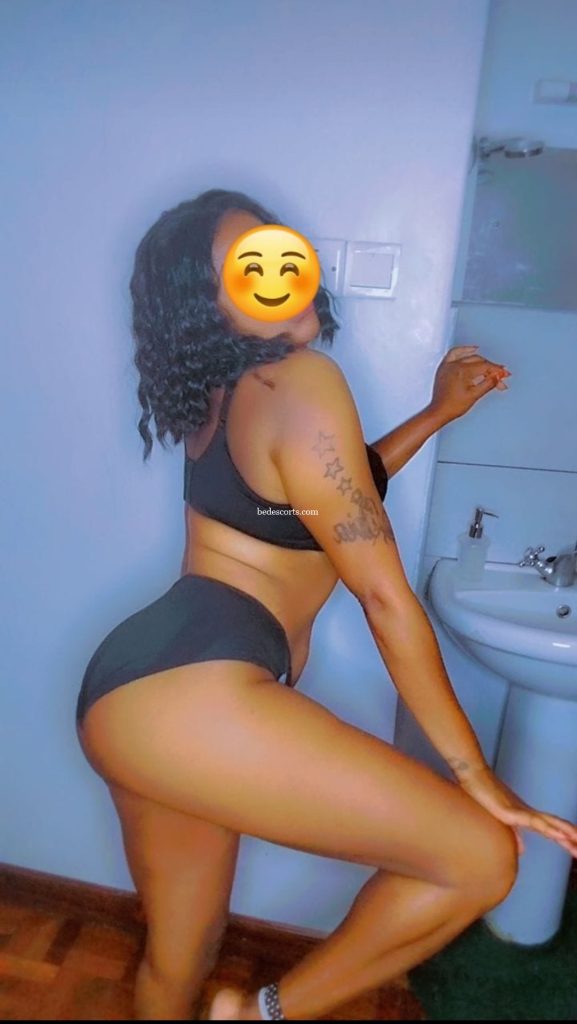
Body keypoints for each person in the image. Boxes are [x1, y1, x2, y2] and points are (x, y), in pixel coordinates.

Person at [75, 188, 577, 1022]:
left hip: (134, 693)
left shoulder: (233, 390)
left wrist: (436, 413)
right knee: (481, 857)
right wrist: (474, 775)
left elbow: (330, 493)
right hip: (189, 693)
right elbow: (381, 594)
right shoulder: (298, 380)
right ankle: (258, 1015)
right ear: (211, 309)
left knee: (180, 951)